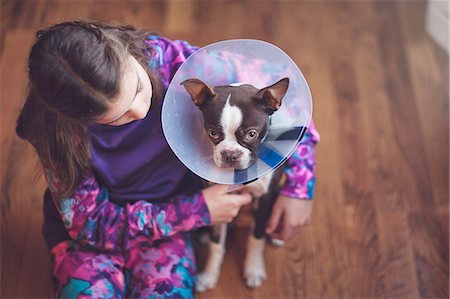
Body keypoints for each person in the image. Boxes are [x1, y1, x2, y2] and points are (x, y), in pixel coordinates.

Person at [16, 20, 320, 298]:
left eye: (136, 88)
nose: (139, 110)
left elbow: (289, 100)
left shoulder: (181, 63)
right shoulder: (53, 129)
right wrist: (196, 211)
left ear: (126, 52)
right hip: (92, 241)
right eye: (116, 118)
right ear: (74, 118)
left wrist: (299, 187)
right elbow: (88, 225)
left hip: (167, 232)